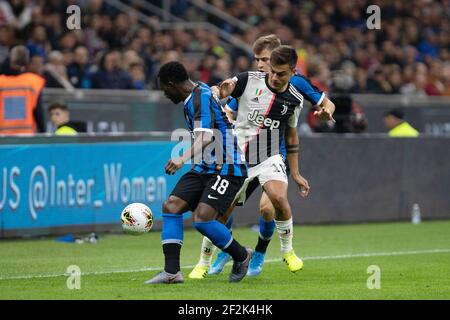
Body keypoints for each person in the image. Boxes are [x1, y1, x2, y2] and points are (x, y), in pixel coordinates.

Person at [190, 44, 335, 278]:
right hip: (238, 158)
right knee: (220, 214)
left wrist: (296, 173)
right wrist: (219, 91)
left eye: (281, 73)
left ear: (292, 72)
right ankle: (203, 262)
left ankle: (287, 251)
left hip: (269, 157)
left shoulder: (295, 98)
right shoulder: (248, 80)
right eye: (272, 71)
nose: (274, 77)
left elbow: (291, 134)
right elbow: (224, 90)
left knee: (276, 198)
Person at [145, 61, 252, 284]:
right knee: (171, 205)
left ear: (172, 84)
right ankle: (172, 272)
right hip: (206, 167)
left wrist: (181, 158)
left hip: (228, 167)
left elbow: (206, 136)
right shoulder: (198, 93)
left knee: (202, 220)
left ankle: (242, 256)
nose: (164, 93)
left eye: (164, 88)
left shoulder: (198, 97)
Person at [0, 45, 45, 135]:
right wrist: (43, 132)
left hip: (2, 135)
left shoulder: (1, 82)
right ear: (27, 61)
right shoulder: (34, 81)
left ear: (11, 59)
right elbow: (38, 112)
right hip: (26, 134)